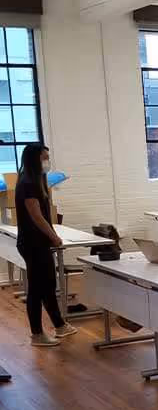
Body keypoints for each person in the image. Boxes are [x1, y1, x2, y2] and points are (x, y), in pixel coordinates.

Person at [14, 143, 77, 347]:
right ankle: (37, 334)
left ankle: (60, 325)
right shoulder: (27, 182)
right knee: (36, 289)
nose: (47, 162)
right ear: (34, 159)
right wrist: (54, 236)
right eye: (44, 158)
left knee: (48, 284)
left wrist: (51, 235)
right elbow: (36, 215)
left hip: (39, 242)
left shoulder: (37, 180)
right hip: (32, 243)